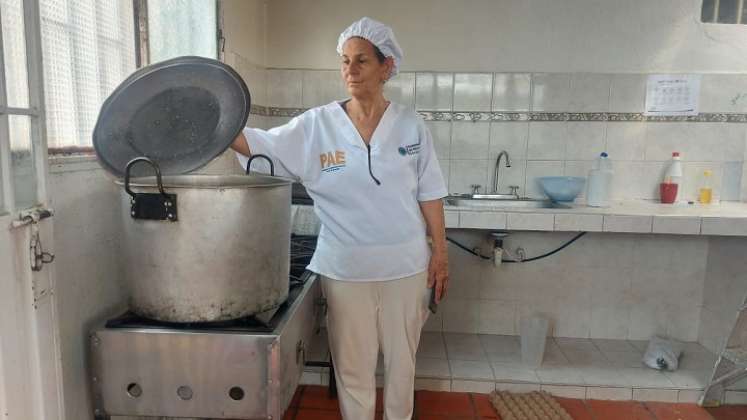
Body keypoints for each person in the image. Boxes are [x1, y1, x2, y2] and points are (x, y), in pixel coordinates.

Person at [231, 17, 449, 420]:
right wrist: (219, 121)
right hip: (345, 269)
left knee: (402, 366)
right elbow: (261, 144)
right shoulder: (317, 126)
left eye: (362, 61)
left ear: (387, 68)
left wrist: (440, 254)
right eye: (345, 60)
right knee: (353, 368)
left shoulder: (411, 126)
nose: (350, 70)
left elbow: (430, 193)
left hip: (406, 266)